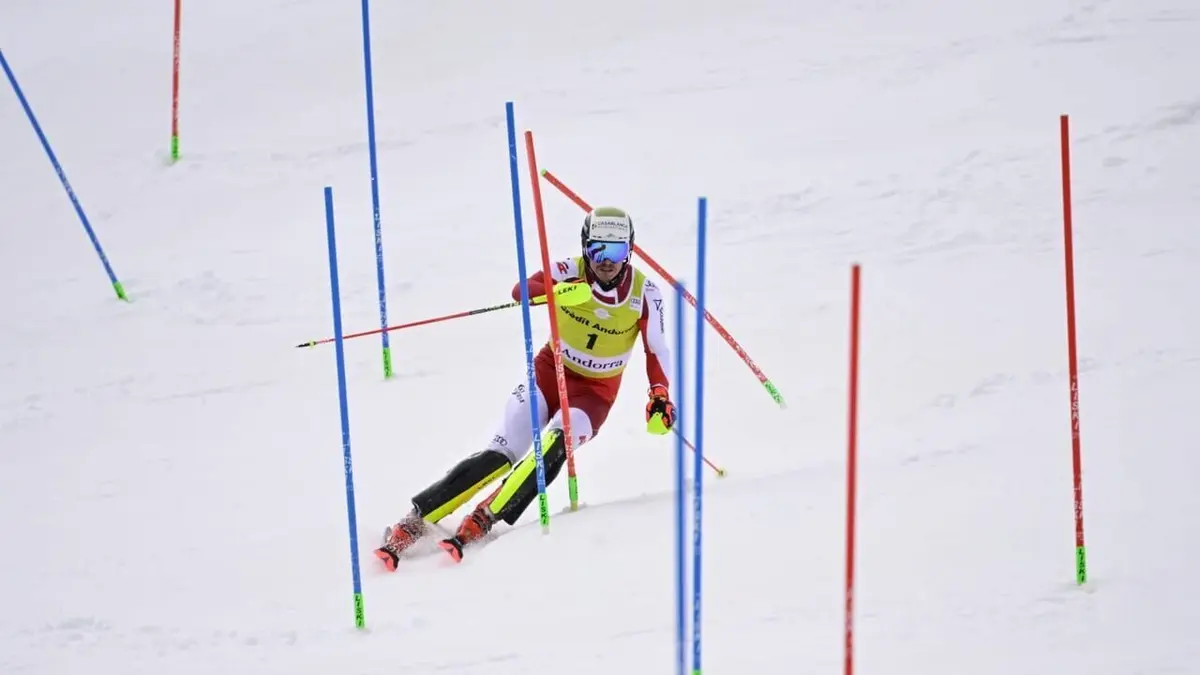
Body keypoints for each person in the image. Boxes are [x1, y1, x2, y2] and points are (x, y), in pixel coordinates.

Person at [374, 206, 677, 569]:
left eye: (616, 250)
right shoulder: (569, 270)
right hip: (549, 374)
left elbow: (656, 349)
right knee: (501, 455)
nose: (606, 261)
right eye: (597, 249)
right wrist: (559, 291)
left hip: (594, 394)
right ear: (585, 246)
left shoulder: (646, 293)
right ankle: (415, 520)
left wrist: (660, 394)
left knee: (554, 445)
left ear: (629, 250)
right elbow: (521, 290)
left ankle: (485, 517)